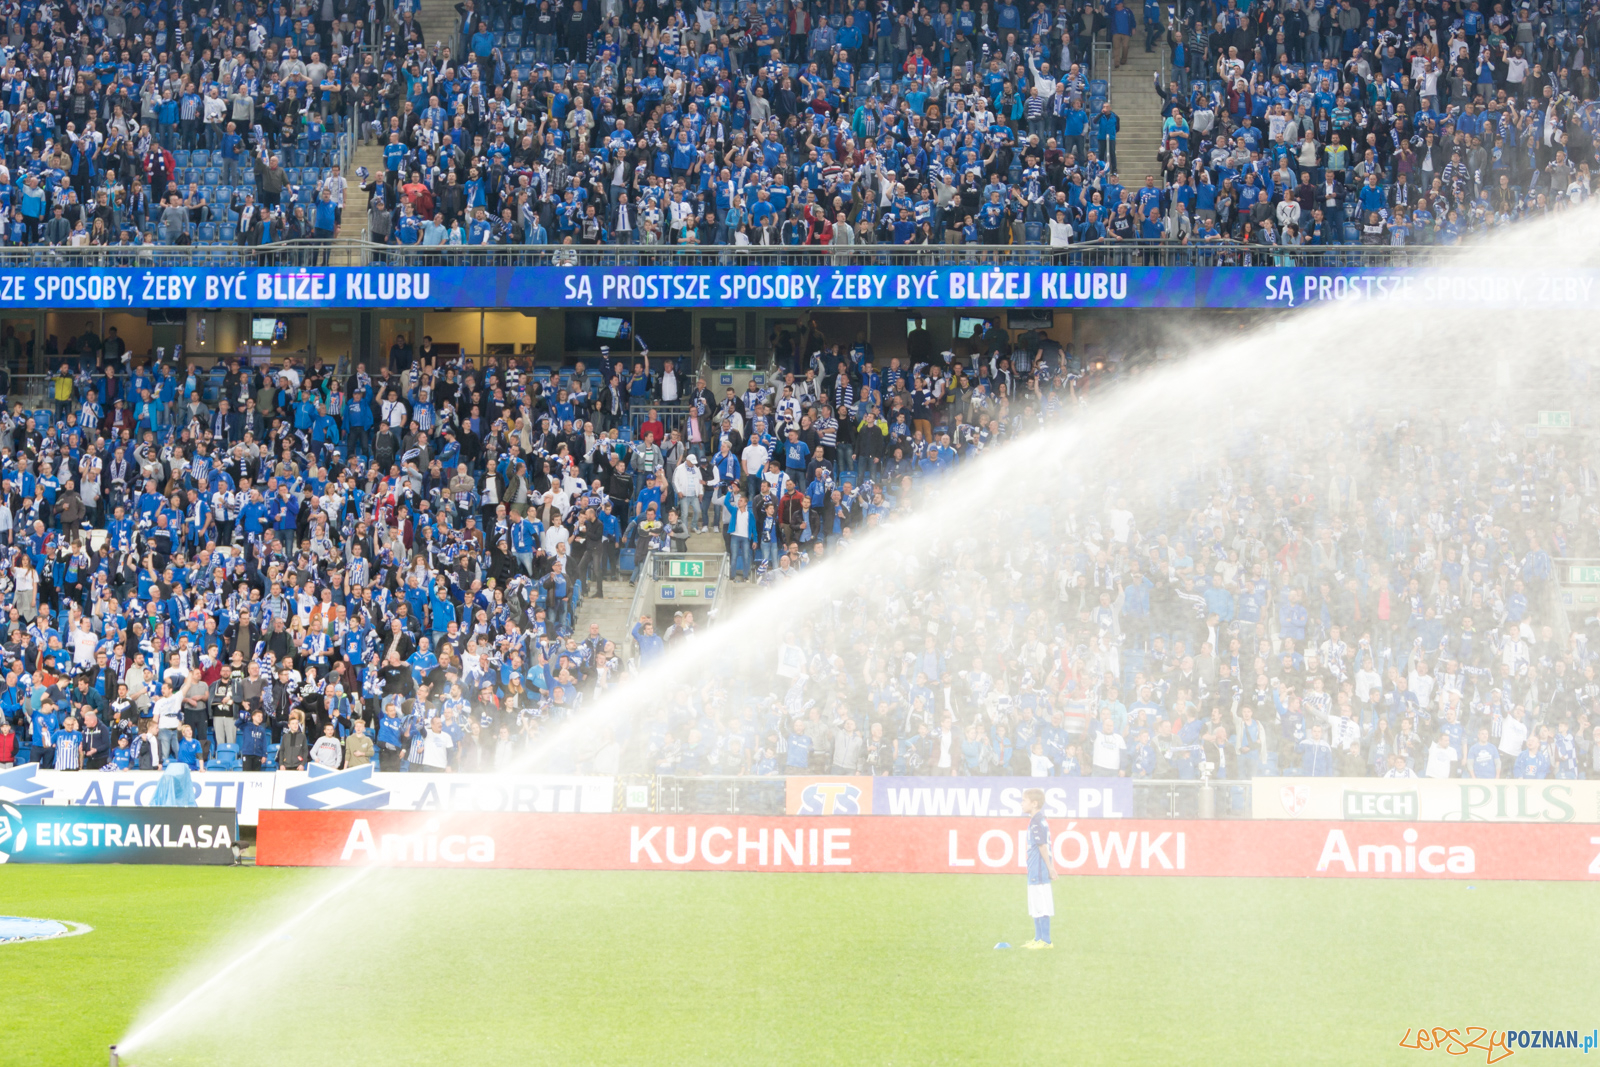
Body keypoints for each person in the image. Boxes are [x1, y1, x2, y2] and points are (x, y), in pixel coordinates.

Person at [1019, 788, 1056, 949]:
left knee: (1042, 904)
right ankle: (1038, 938)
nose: (1022, 803)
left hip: (1040, 868)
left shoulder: (1036, 822)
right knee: (1035, 904)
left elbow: (1042, 846)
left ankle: (1046, 941)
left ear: (1034, 804)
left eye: (1024, 800)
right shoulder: (1037, 820)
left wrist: (1050, 868)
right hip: (1034, 868)